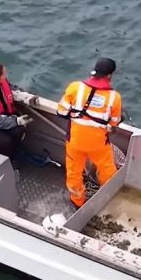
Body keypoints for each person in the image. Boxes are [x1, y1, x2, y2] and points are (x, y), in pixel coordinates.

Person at [56, 58, 122, 208]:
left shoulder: (74, 87)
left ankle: (77, 202)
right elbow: (114, 122)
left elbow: (61, 111)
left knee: (74, 174)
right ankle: (108, 196)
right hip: (98, 144)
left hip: (75, 142)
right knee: (107, 169)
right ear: (110, 75)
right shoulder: (114, 97)